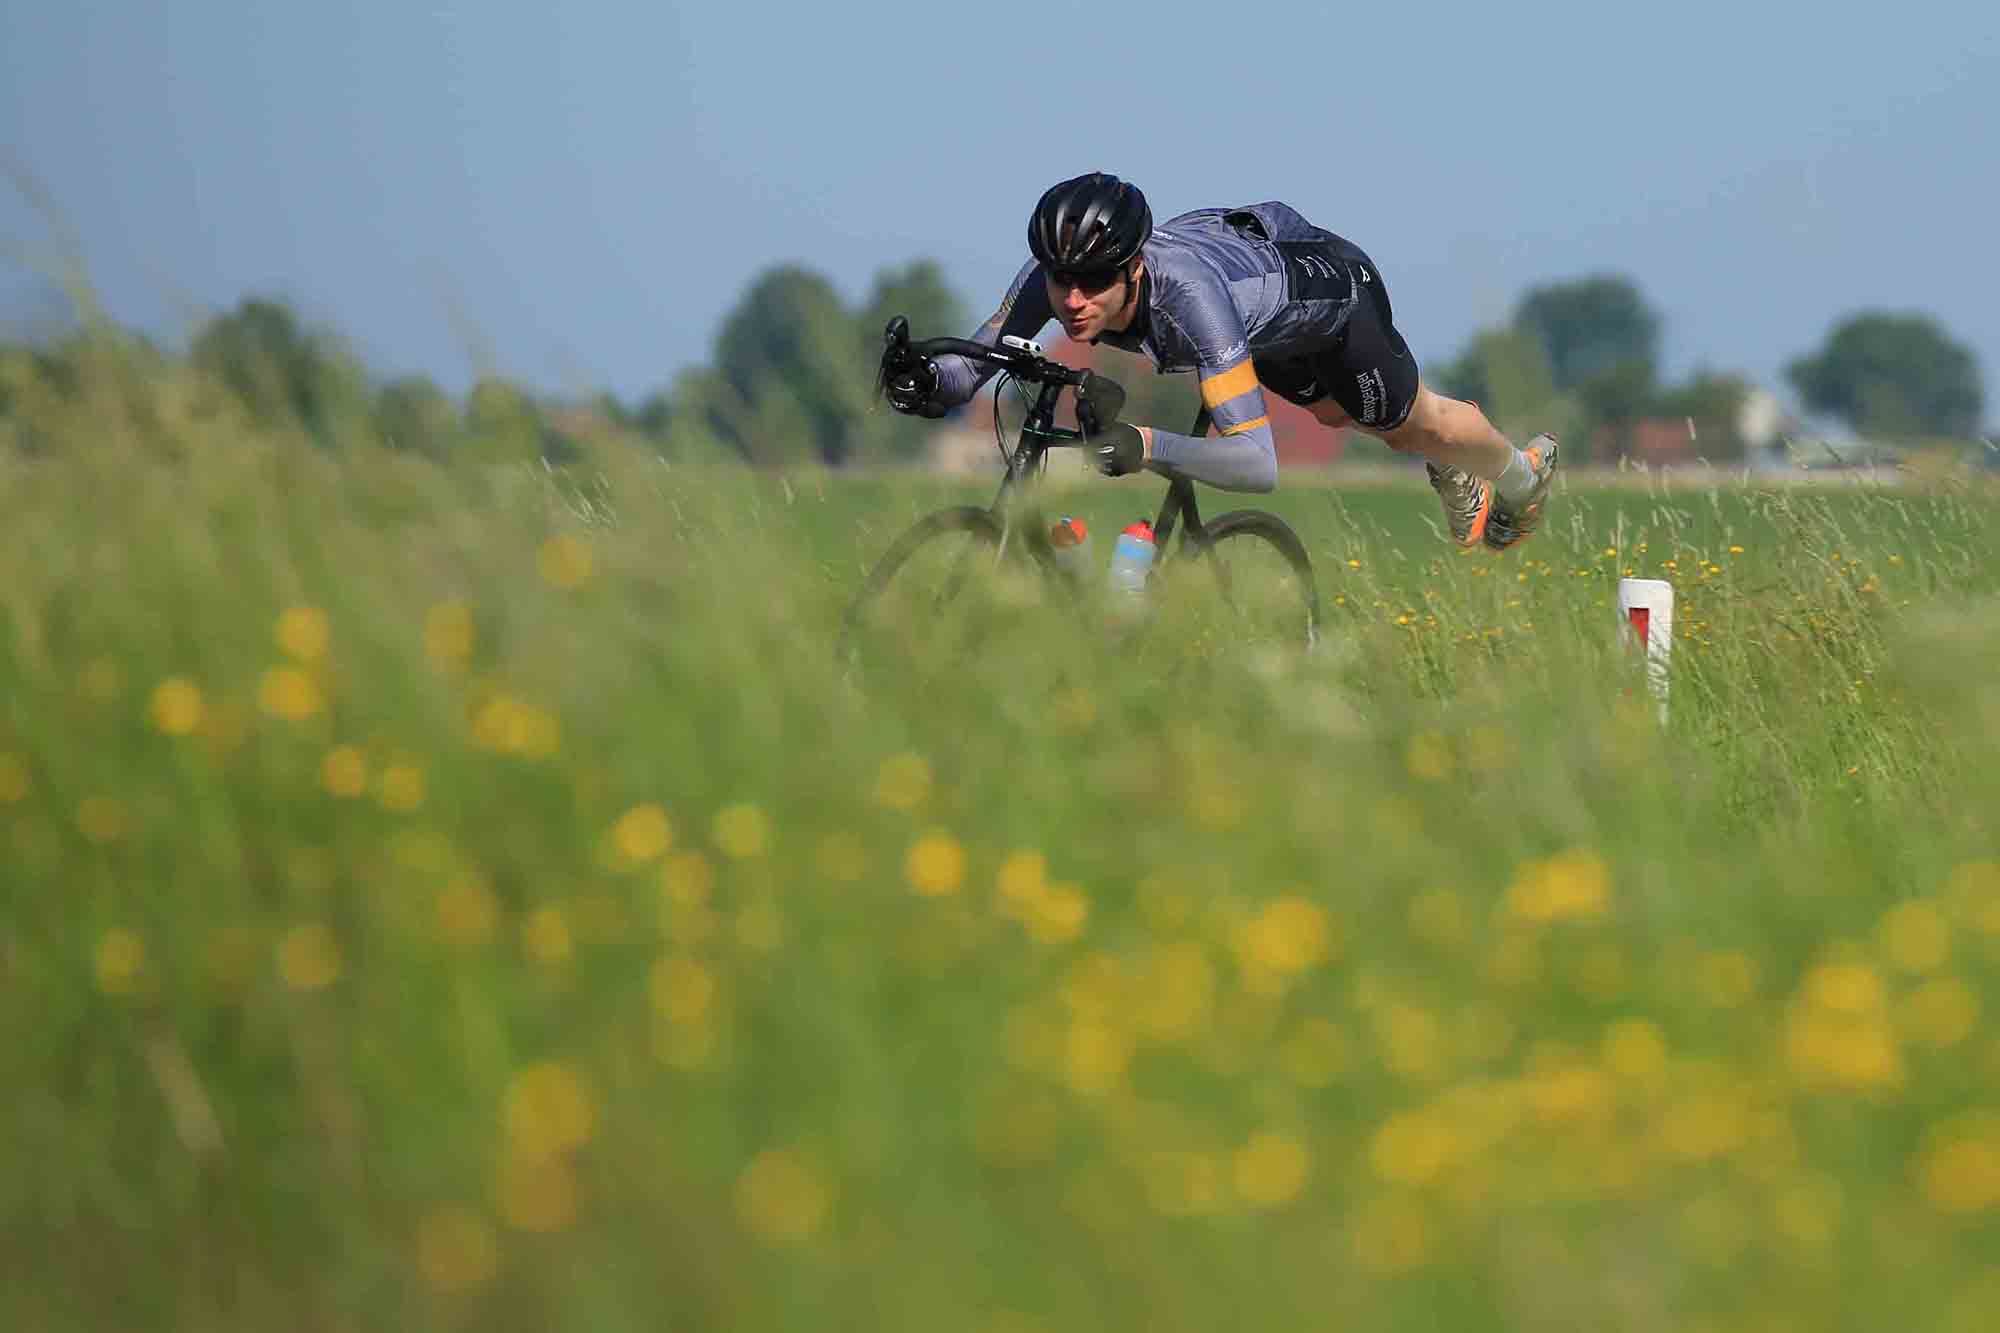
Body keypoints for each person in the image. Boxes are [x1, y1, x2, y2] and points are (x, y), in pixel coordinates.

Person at [881, 171, 1556, 549]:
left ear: (1134, 268)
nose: (1074, 301)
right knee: (1326, 414)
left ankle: (1520, 476)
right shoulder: (1053, 277)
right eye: (1062, 281)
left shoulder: (1190, 301)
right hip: (1259, 318)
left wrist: (1143, 443)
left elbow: (1258, 465)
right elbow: (977, 365)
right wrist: (926, 377)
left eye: (1093, 283)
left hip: (1332, 299)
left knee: (1407, 426)